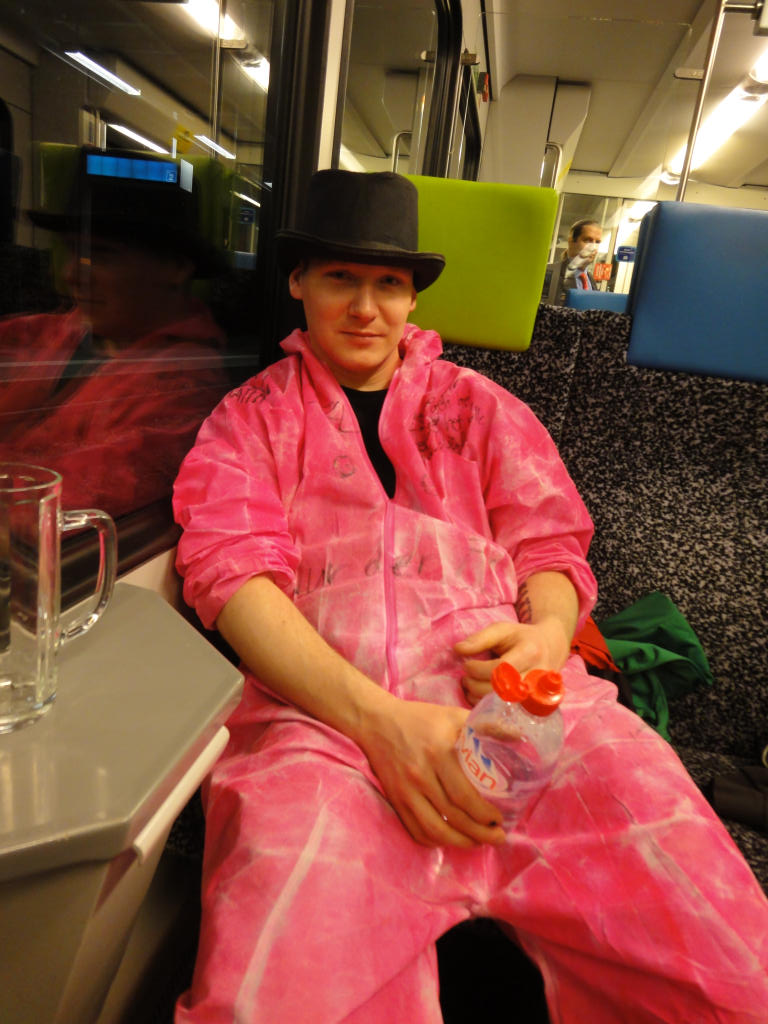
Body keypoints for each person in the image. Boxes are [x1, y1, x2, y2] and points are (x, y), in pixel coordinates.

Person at [172, 170, 768, 1023]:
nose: (366, 308)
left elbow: (549, 546)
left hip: (515, 707)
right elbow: (234, 579)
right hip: (321, 725)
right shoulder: (248, 420)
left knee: (723, 948)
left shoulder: (481, 408)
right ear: (298, 281)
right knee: (278, 985)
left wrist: (549, 637)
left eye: (389, 283)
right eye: (340, 278)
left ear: (413, 297)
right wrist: (376, 722)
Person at [0, 149, 229, 518]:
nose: (72, 274)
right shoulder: (49, 332)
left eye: (101, 255)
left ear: (175, 267)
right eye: (73, 252)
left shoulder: (184, 391)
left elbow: (62, 504)